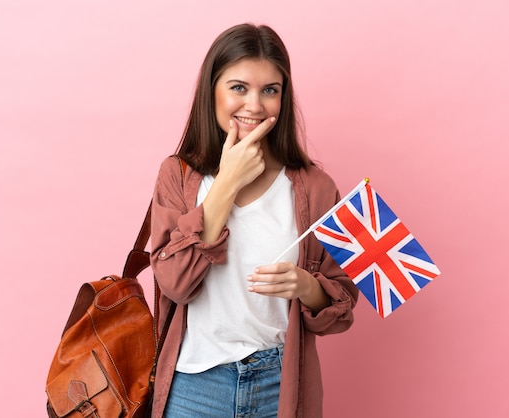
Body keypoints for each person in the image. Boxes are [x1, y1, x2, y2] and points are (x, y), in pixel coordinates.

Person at [149, 23, 359, 418]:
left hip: (279, 385)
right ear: (212, 90)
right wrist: (226, 182)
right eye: (238, 87)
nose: (255, 105)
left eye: (270, 90)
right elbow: (175, 284)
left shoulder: (315, 186)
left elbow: (342, 306)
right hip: (195, 387)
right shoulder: (177, 175)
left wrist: (308, 286)